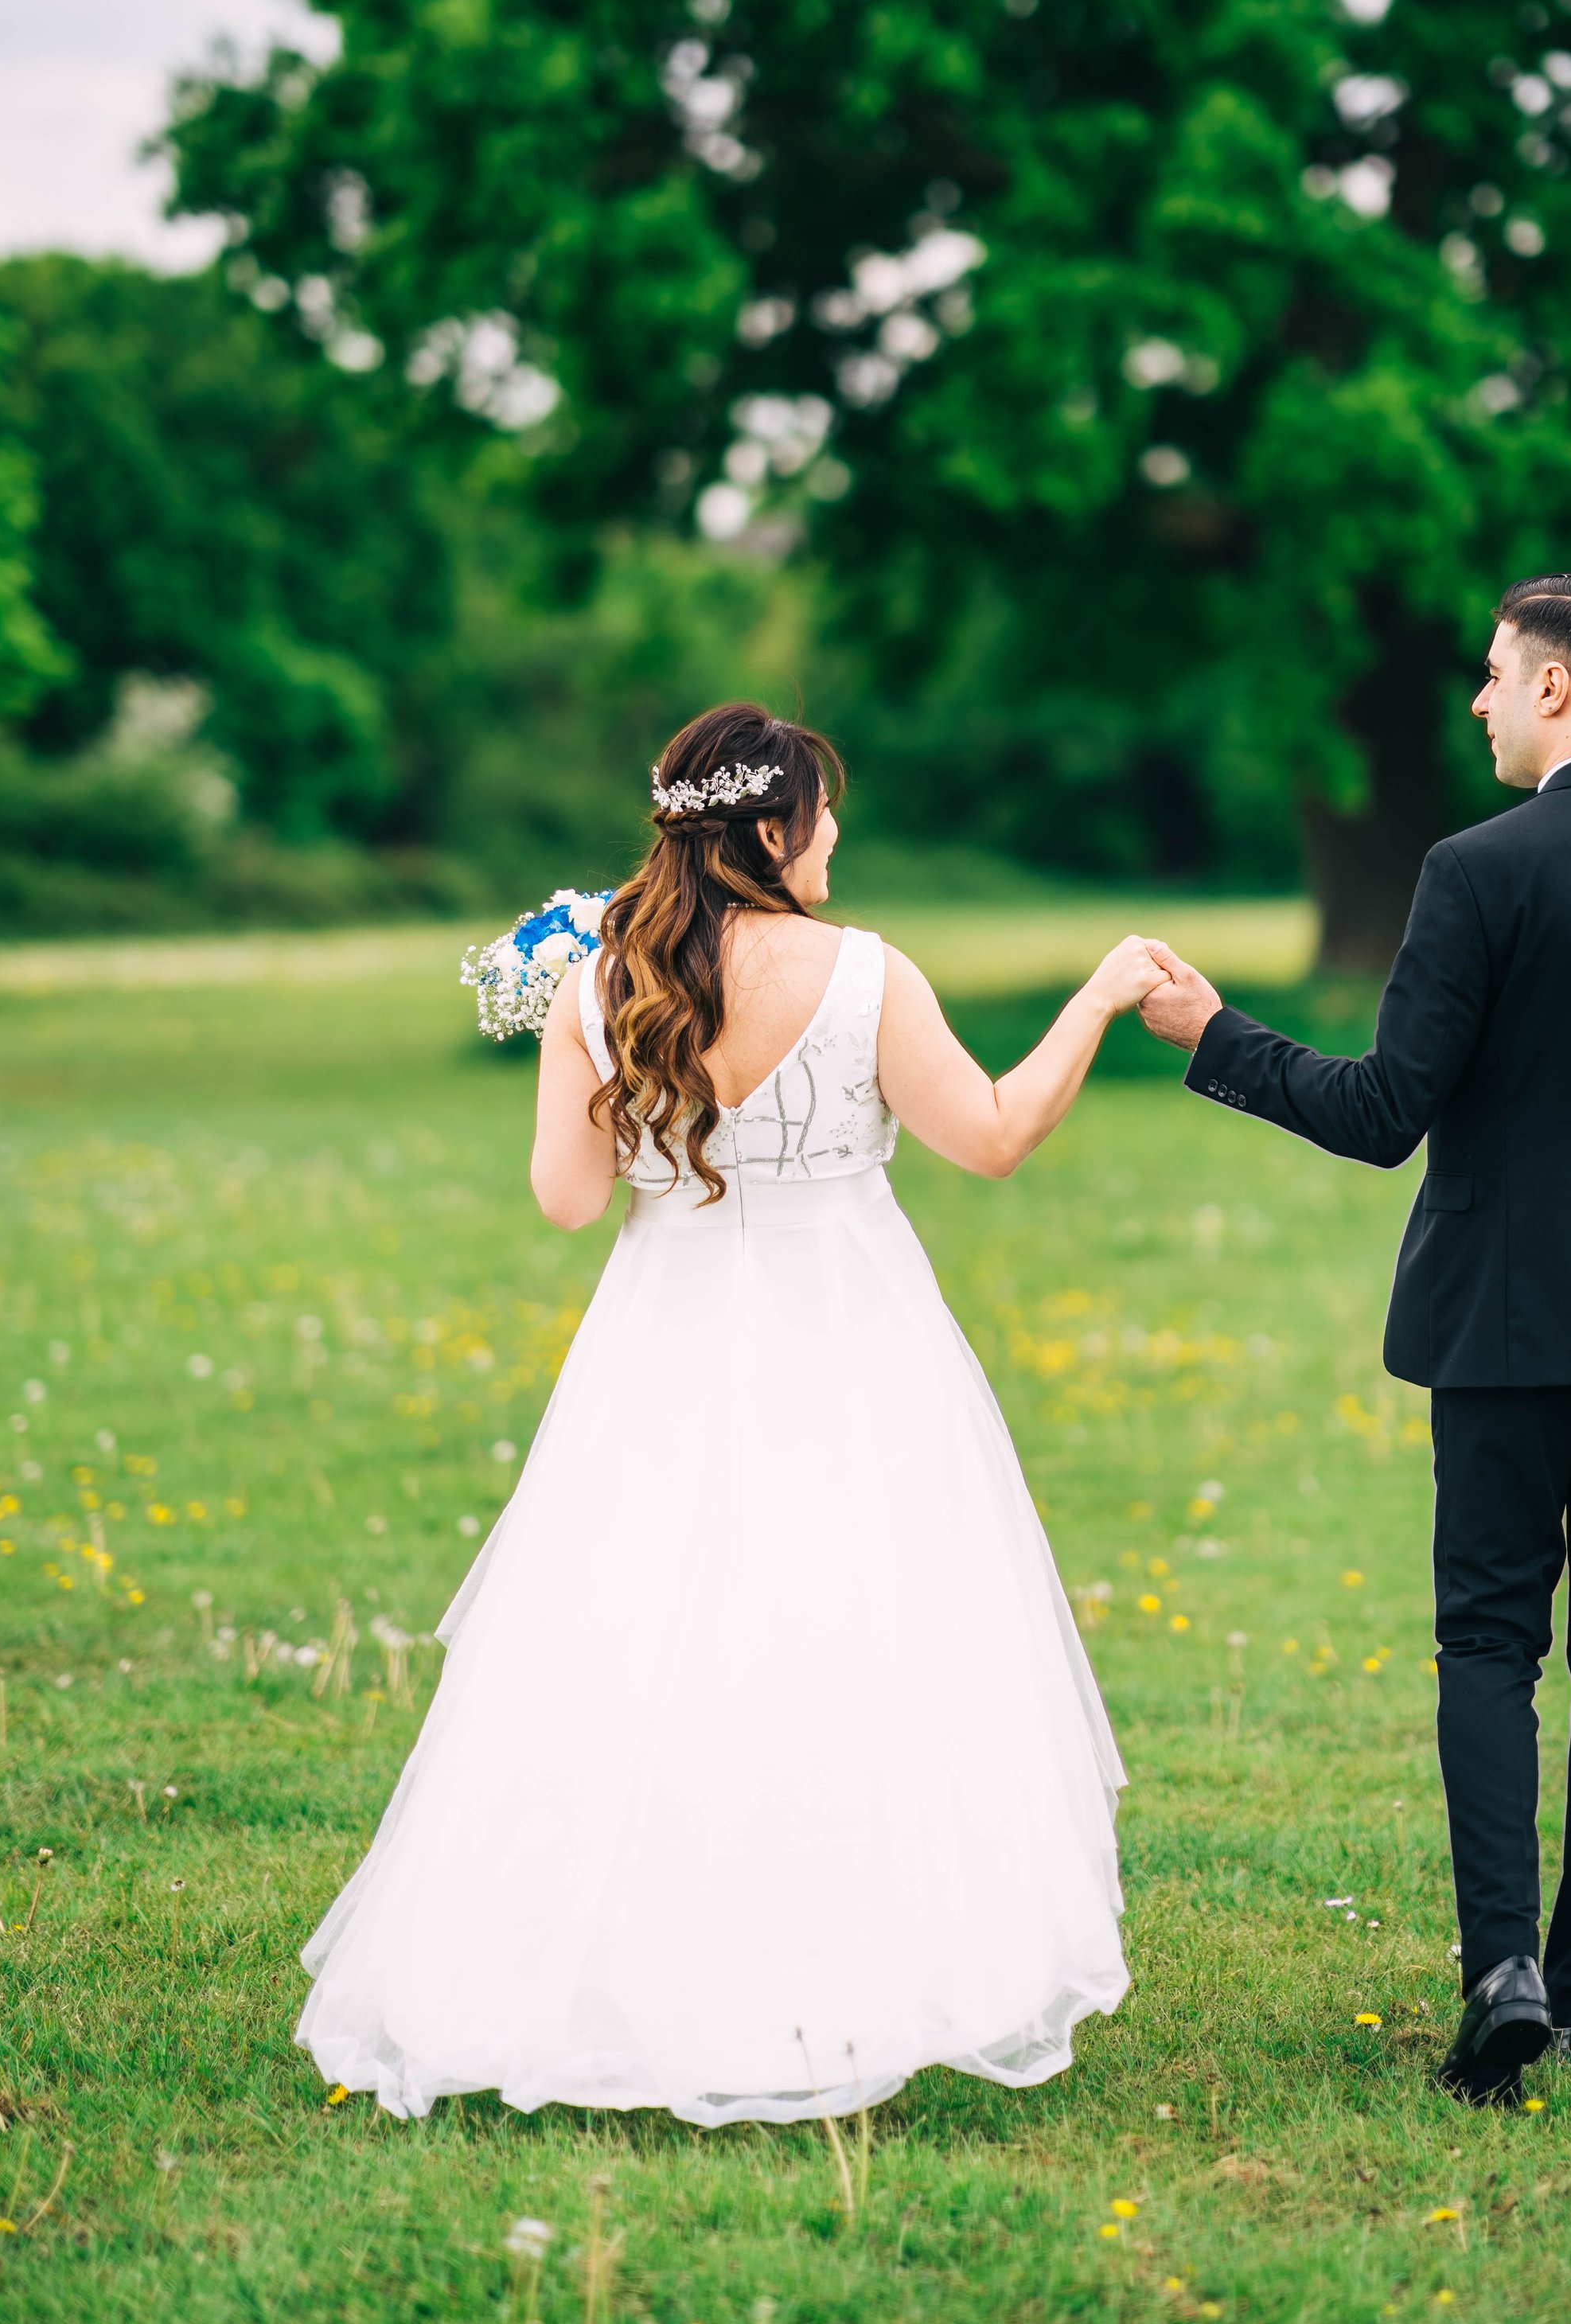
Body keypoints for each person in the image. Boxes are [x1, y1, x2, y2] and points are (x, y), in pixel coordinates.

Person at [297, 703, 1162, 2126]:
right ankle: (844, 1975)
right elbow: (997, 1135)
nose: (836, 841)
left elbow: (571, 1201)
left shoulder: (596, 986)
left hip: (665, 1353)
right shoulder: (866, 973)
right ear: (772, 830)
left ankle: (615, 1976)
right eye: (824, 818)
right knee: (855, 1648)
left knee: (646, 1653)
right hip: (855, 1346)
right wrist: (1101, 993)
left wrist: (577, 1032)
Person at [1138, 574, 1571, 2103]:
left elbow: (1388, 1114)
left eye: (1493, 674)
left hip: (1506, 1334)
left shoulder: (1477, 869)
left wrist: (1217, 1038)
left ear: (1558, 692)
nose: (1473, 701)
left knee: (1488, 1645)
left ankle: (1501, 1968)